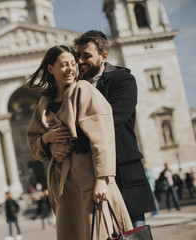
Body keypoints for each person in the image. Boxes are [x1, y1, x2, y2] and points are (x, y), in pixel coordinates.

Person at [26, 45, 132, 240]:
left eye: (73, 64)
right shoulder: (44, 103)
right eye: (64, 65)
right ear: (51, 69)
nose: (70, 69)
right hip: (63, 184)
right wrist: (47, 141)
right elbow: (33, 145)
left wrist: (102, 179)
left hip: (89, 177)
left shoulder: (83, 89)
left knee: (100, 232)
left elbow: (103, 136)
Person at [71, 30, 156, 228]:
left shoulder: (123, 80)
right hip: (88, 169)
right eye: (78, 56)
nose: (80, 61)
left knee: (134, 227)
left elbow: (112, 118)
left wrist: (74, 140)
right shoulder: (75, 86)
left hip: (122, 166)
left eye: (86, 56)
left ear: (104, 56)